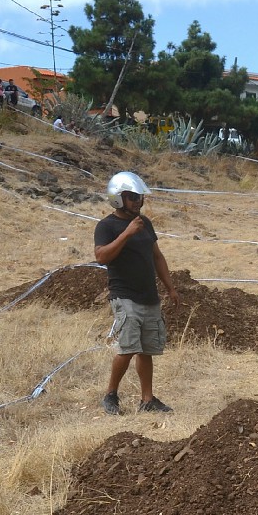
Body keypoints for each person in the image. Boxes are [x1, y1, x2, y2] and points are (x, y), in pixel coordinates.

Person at [94, 172, 180, 415]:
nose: (137, 202)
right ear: (118, 198)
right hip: (124, 295)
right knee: (128, 347)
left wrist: (170, 288)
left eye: (140, 197)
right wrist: (127, 233)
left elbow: (157, 256)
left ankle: (147, 400)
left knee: (146, 349)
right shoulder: (107, 226)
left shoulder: (145, 223)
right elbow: (101, 257)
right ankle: (111, 395)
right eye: (132, 197)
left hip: (148, 295)